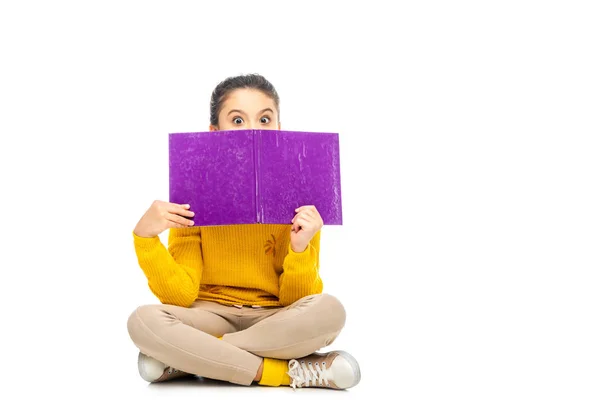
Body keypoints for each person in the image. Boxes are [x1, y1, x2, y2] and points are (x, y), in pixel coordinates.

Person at [126, 73, 361, 390]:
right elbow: (180, 296)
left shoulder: (300, 198)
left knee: (330, 310)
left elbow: (298, 300)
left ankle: (190, 358)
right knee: (143, 321)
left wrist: (300, 248)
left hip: (273, 319)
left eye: (264, 119)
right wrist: (146, 239)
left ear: (278, 128)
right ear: (214, 132)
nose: (252, 129)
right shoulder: (194, 195)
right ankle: (284, 373)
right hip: (209, 315)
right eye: (237, 119)